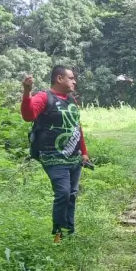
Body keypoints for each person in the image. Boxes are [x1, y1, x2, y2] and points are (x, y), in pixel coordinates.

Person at [21, 66, 89, 243]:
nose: (74, 81)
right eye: (71, 78)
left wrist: (84, 152)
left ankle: (70, 232)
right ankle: (58, 234)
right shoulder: (44, 97)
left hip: (74, 156)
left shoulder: (71, 99)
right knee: (63, 193)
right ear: (59, 79)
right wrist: (27, 92)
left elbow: (76, 126)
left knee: (72, 194)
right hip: (53, 157)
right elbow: (28, 115)